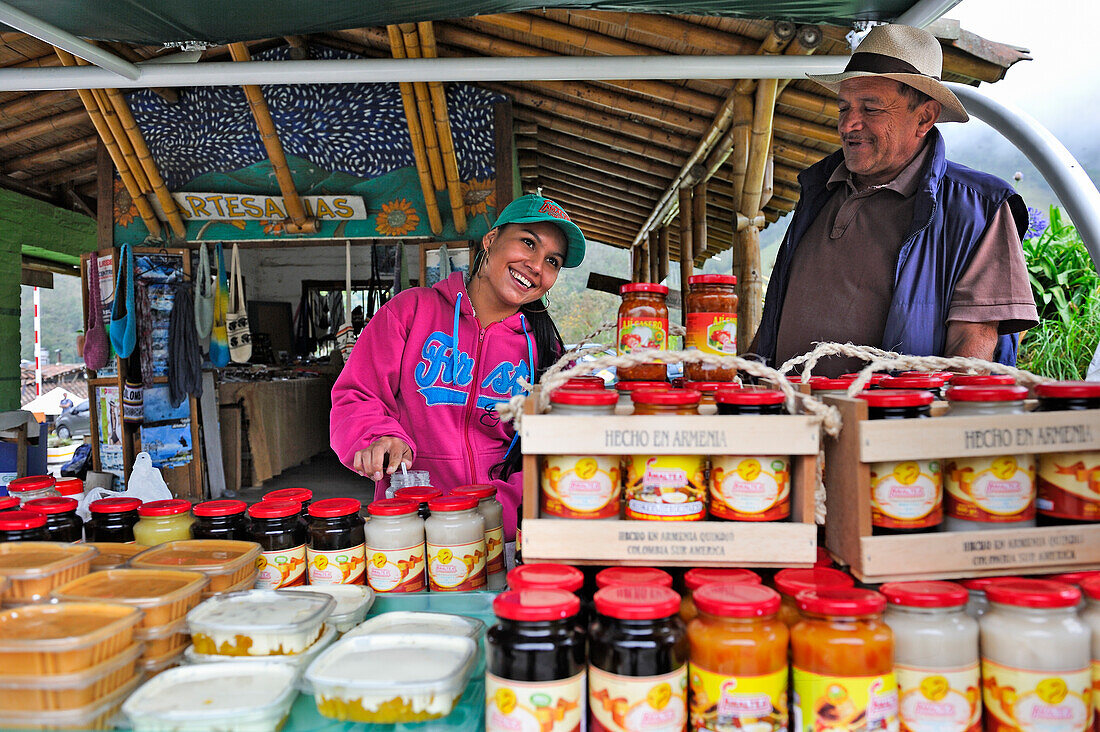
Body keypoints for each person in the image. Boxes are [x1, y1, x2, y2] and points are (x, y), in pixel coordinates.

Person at [751, 24, 1038, 376]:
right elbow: (774, 321)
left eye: (870, 108)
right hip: (790, 419)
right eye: (844, 108)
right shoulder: (819, 189)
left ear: (924, 117)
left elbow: (972, 350)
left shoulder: (979, 208)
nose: (848, 125)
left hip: (892, 425)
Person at [330, 194, 586, 541]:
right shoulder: (411, 311)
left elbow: (548, 448)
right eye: (528, 243)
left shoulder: (544, 349)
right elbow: (357, 395)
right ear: (492, 239)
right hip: (409, 523)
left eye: (552, 261)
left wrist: (503, 509)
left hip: (498, 531)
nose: (537, 266)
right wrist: (377, 437)